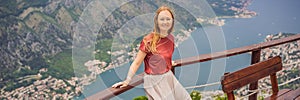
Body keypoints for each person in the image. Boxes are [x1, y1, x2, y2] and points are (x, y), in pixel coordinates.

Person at [112, 6, 191, 100]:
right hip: (154, 80)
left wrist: (168, 63)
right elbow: (137, 62)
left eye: (168, 19)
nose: (165, 22)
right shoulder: (148, 40)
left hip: (168, 76)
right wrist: (127, 81)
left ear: (172, 21)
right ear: (157, 21)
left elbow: (165, 56)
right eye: (162, 19)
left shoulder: (171, 38)